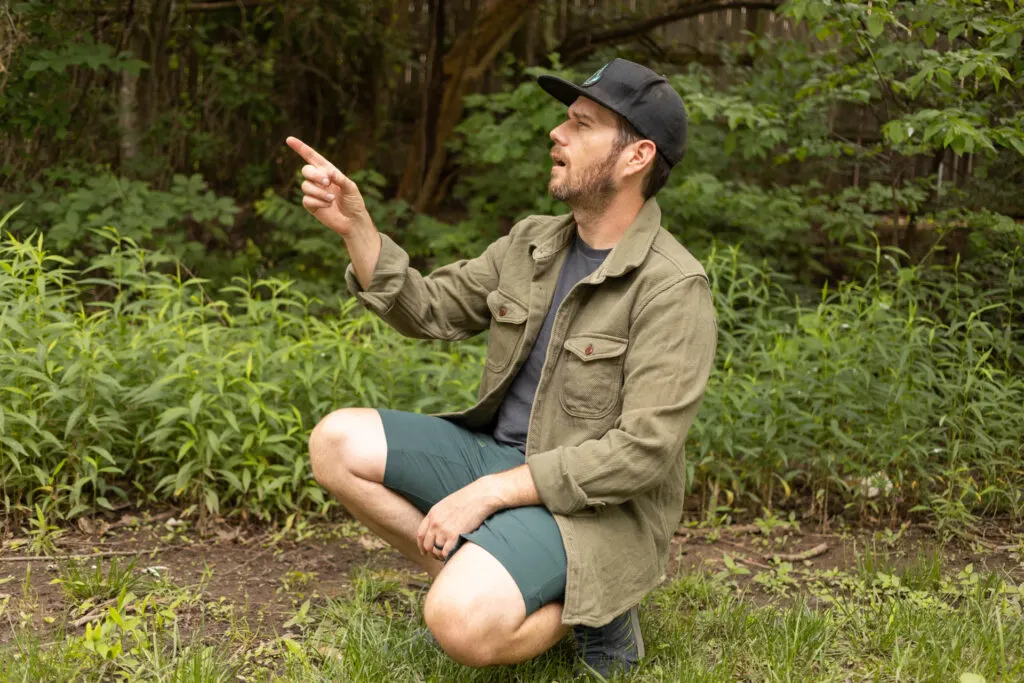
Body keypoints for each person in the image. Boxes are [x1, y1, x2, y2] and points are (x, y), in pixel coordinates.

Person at [290, 58, 717, 678]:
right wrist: (358, 229)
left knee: (458, 625)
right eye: (564, 120)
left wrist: (489, 495)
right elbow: (429, 309)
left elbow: (642, 453)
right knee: (336, 443)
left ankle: (598, 609)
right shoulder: (532, 243)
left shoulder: (672, 287)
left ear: (636, 157)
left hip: (592, 510)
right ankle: (492, 574)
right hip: (499, 459)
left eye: (581, 124)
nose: (557, 134)